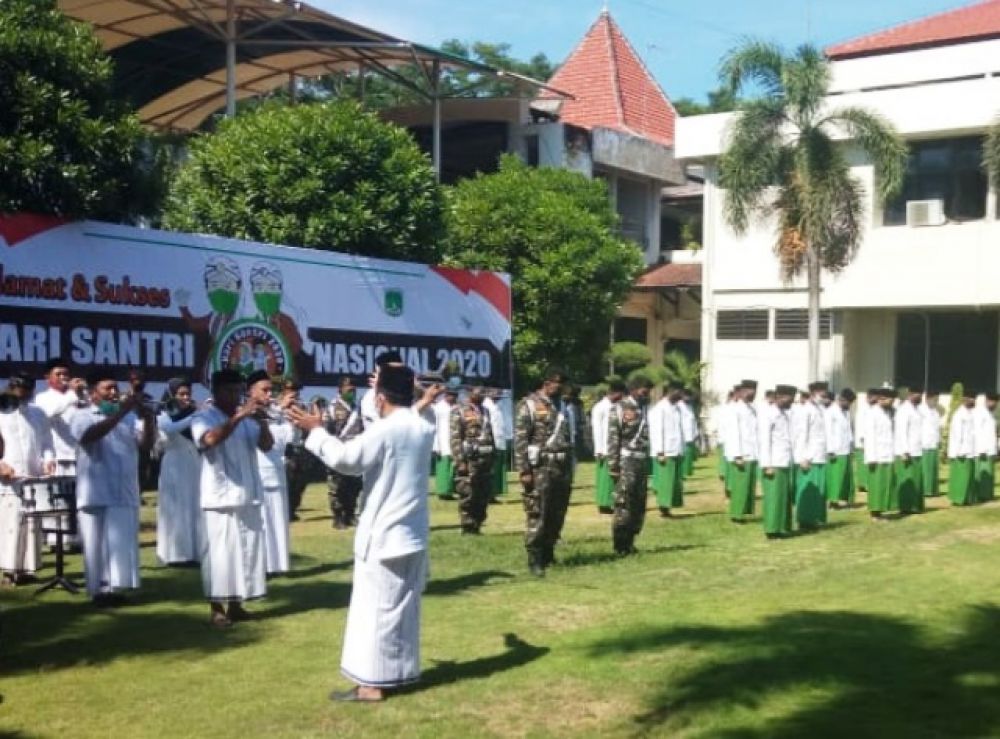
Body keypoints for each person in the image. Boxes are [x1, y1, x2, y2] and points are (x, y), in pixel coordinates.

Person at [288, 365, 438, 702]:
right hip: (412, 533)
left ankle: (371, 686)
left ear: (381, 396)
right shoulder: (424, 424)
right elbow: (404, 413)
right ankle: (399, 673)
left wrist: (316, 431)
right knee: (401, 610)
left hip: (385, 534)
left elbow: (346, 459)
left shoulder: (386, 430)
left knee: (375, 612)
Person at [192, 369, 273, 627]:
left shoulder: (249, 419)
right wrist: (240, 415)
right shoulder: (202, 417)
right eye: (230, 390)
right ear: (215, 391)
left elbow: (267, 445)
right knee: (219, 555)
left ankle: (237, 605)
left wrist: (261, 421)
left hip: (248, 495)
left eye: (238, 391)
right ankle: (216, 608)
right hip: (219, 498)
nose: (236, 395)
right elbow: (210, 439)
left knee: (245, 553)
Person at [71, 369, 157, 606]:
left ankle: (115, 588)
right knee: (96, 546)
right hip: (96, 491)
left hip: (124, 488)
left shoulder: (129, 417)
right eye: (106, 388)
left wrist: (148, 418)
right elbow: (89, 436)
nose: (112, 393)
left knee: (120, 545)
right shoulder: (83, 414)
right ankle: (99, 592)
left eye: (114, 388)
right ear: (92, 394)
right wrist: (122, 412)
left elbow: (146, 445)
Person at [514, 368, 573, 576]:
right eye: (557, 383)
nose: (560, 387)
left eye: (562, 384)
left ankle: (549, 552)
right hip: (540, 468)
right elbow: (521, 440)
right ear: (547, 383)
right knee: (538, 512)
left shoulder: (563, 406)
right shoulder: (529, 405)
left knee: (557, 512)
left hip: (561, 467)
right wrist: (524, 470)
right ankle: (535, 557)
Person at [0, 373, 55, 584]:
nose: (23, 396)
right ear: (12, 388)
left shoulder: (38, 413)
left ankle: (28, 570)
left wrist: (49, 460)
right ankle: (9, 571)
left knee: (32, 525)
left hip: (33, 476)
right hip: (8, 479)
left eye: (27, 392)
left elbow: (47, 443)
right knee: (11, 524)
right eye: (19, 391)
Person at [249, 372, 297, 576]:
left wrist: (292, 420)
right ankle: (263, 566)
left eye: (271, 390)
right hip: (257, 474)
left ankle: (278, 565)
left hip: (277, 472)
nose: (269, 394)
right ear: (251, 391)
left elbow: (288, 440)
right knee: (262, 524)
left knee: (278, 521)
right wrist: (277, 412)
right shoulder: (248, 414)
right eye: (264, 390)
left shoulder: (276, 415)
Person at [155, 377, 203, 566]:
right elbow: (170, 429)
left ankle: (194, 552)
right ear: (172, 395)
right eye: (181, 394)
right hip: (174, 462)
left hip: (192, 462)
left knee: (192, 505)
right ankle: (176, 554)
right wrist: (195, 416)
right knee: (177, 506)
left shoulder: (192, 412)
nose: (185, 398)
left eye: (188, 394)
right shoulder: (164, 412)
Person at [608, 377, 652, 555]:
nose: (646, 394)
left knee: (638, 502)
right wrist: (613, 464)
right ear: (634, 389)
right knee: (624, 502)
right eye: (644, 391)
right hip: (626, 461)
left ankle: (631, 540)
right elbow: (613, 438)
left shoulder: (644, 409)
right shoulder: (619, 408)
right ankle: (620, 543)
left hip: (641, 460)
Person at [450, 386, 495, 535]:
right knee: (468, 493)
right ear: (470, 393)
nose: (482, 395)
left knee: (483, 493)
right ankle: (468, 526)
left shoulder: (485, 411)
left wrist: (493, 455)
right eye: (479, 392)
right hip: (469, 460)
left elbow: (490, 433)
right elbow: (455, 438)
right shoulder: (459, 410)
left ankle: (478, 523)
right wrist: (460, 461)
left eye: (483, 393)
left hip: (485, 458)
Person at [324, 377, 364, 529]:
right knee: (337, 486)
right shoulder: (332, 408)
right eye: (348, 388)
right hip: (338, 452)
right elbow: (327, 430)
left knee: (353, 485)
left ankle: (350, 514)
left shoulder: (357, 408)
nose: (352, 390)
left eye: (354, 388)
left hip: (354, 452)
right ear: (340, 390)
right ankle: (338, 516)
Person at [758, 385, 796, 539]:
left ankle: (782, 526)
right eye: (790, 399)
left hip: (784, 460)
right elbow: (764, 440)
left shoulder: (784, 414)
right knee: (774, 497)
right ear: (781, 397)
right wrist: (767, 464)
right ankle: (772, 530)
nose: (792, 403)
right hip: (774, 463)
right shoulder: (768, 414)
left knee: (783, 497)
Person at [792, 381, 829, 530]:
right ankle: (804, 519)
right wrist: (802, 457)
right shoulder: (805, 410)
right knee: (807, 488)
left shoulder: (820, 409)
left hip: (820, 454)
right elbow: (801, 435)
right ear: (813, 394)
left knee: (819, 489)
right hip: (808, 456)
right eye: (822, 394)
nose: (824, 396)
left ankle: (815, 518)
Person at [723, 380, 758, 523]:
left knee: (748, 485)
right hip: (741, 452)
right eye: (749, 390)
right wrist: (737, 455)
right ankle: (736, 514)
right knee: (739, 485)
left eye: (754, 391)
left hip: (752, 451)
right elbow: (734, 433)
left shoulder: (752, 409)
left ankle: (744, 511)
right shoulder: (734, 409)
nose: (752, 393)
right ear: (742, 392)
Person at [650, 381, 684, 517]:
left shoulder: (676, 408)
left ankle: (668, 505)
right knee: (665, 481)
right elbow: (657, 431)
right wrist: (660, 451)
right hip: (665, 450)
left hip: (676, 448)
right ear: (671, 391)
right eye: (679, 392)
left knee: (674, 481)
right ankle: (663, 507)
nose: (681, 395)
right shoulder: (660, 409)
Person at [591, 380, 624, 514]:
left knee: (615, 477)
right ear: (613, 392)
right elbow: (597, 429)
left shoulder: (619, 407)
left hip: (617, 447)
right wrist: (599, 449)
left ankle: (613, 501)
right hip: (604, 447)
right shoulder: (599, 407)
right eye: (620, 394)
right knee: (605, 477)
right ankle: (603, 504)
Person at [863, 387, 896, 520]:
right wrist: (871, 457)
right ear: (882, 399)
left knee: (885, 483)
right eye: (890, 400)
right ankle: (874, 512)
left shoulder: (889, 412)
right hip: (876, 455)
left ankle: (882, 509)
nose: (892, 403)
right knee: (876, 484)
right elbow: (870, 436)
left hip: (887, 453)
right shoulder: (872, 414)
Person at [280, 379, 310, 520]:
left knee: (299, 482)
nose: (294, 393)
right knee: (287, 481)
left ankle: (292, 509)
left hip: (299, 446)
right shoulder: (276, 406)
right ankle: (285, 511)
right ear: (284, 390)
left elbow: (307, 427)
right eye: (290, 389)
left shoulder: (302, 406)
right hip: (285, 448)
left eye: (296, 390)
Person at [894, 386, 925, 515]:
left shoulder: (916, 410)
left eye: (921, 393)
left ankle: (915, 505)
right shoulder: (903, 410)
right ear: (910, 394)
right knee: (907, 480)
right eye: (917, 393)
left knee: (916, 479)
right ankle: (905, 506)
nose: (920, 396)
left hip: (917, 449)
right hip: (907, 452)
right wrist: (904, 450)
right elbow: (901, 431)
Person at [825, 388, 855, 509]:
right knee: (835, 477)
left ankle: (844, 499)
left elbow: (848, 430)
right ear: (842, 400)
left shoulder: (846, 412)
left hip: (845, 448)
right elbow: (827, 431)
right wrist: (830, 449)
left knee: (845, 477)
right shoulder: (830, 412)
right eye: (849, 402)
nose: (850, 405)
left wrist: (851, 445)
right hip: (835, 450)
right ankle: (832, 501)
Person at [947, 388, 977, 507]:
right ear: (965, 399)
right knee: (960, 477)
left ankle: (967, 498)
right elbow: (957, 434)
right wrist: (957, 451)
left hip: (970, 449)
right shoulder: (959, 414)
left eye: (974, 399)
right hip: (961, 451)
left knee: (968, 476)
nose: (973, 401)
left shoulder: (970, 413)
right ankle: (958, 499)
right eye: (971, 399)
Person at [482, 389, 509, 500]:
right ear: (488, 393)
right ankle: (488, 494)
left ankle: (494, 493)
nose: (498, 395)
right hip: (491, 441)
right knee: (490, 470)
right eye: (496, 393)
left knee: (498, 470)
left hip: (500, 441)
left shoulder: (497, 405)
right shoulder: (486, 406)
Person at [973, 391, 999, 503]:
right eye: (993, 402)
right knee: (982, 472)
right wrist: (981, 448)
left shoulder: (991, 414)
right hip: (982, 449)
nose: (995, 405)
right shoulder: (980, 413)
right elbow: (977, 432)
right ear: (987, 401)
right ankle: (980, 494)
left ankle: (988, 494)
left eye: (997, 403)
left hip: (990, 448)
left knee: (989, 474)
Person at [433, 389, 458, 499]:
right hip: (442, 442)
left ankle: (450, 491)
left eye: (455, 396)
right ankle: (443, 492)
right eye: (451, 395)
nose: (453, 398)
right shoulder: (438, 408)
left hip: (454, 441)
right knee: (444, 468)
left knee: (453, 468)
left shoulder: (456, 407)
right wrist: (436, 445)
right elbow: (434, 427)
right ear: (445, 395)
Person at [854, 389, 879, 494]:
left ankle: (868, 482)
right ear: (868, 397)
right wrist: (863, 440)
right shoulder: (863, 410)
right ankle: (862, 484)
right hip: (863, 441)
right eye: (874, 397)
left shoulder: (874, 409)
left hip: (872, 441)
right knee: (862, 465)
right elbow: (860, 426)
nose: (876, 399)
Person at [920, 390, 943, 497]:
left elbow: (937, 428)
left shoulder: (935, 412)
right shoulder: (921, 410)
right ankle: (925, 490)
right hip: (924, 443)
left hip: (933, 442)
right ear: (927, 399)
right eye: (934, 399)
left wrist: (939, 440)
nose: (936, 402)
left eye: (937, 400)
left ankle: (933, 489)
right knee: (926, 468)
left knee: (933, 468)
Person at [679, 388, 700, 479]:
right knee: (683, 454)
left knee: (689, 454)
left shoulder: (690, 406)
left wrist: (696, 432)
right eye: (686, 396)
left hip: (690, 433)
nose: (688, 398)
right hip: (682, 433)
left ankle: (687, 471)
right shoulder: (679, 406)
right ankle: (682, 472)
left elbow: (693, 420)